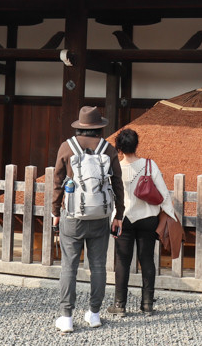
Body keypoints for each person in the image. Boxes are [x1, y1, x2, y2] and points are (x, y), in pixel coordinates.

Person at [51, 106, 124, 333]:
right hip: (101, 216)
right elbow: (118, 184)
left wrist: (55, 211)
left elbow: (57, 181)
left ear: (80, 126)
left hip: (72, 216)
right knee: (99, 266)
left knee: (69, 267)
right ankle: (94, 314)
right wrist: (118, 215)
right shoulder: (108, 149)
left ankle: (67, 318)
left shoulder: (67, 147)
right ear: (99, 127)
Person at [107, 128, 175, 316]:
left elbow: (110, 196)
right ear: (137, 144)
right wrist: (170, 214)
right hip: (147, 218)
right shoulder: (149, 165)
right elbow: (163, 194)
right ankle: (147, 305)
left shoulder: (115, 168)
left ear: (119, 147)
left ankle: (120, 306)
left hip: (123, 219)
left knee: (122, 261)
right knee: (147, 260)